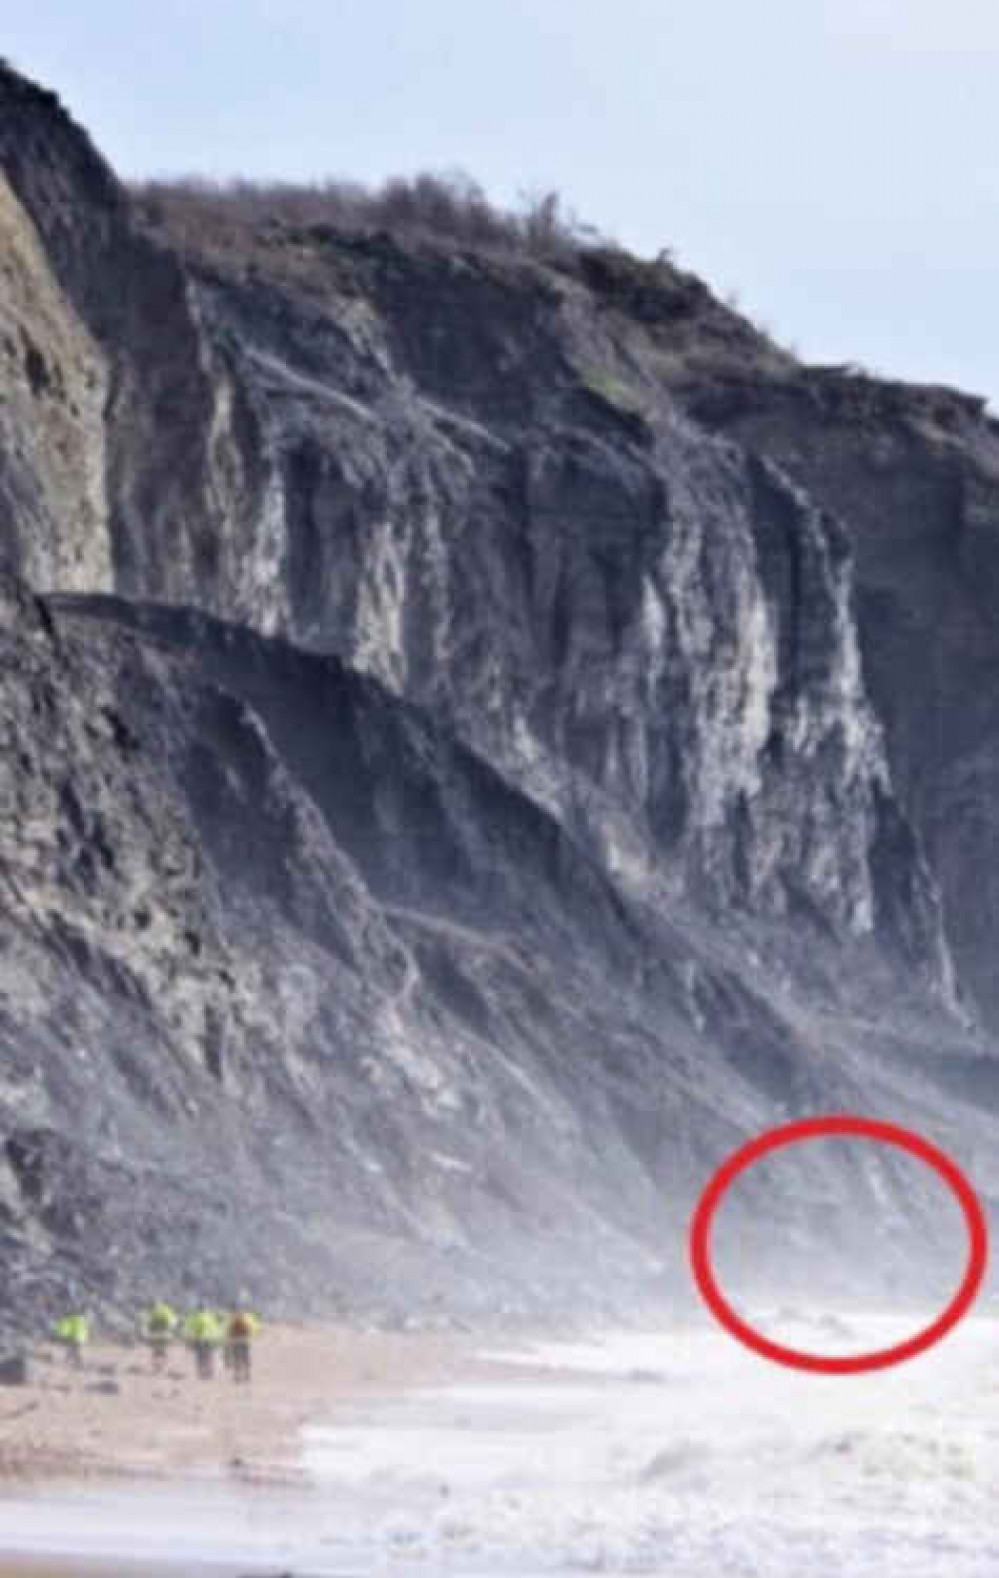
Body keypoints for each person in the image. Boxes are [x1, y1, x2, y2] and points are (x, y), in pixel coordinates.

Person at [183, 1308, 222, 1379]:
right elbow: (215, 1329)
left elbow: (188, 1329)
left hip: (198, 1339)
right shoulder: (210, 1317)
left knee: (199, 1357)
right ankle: (210, 1371)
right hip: (208, 1339)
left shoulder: (194, 1318)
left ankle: (200, 1372)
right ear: (205, 1310)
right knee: (209, 1356)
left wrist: (188, 1340)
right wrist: (217, 1339)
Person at [224, 1310, 259, 1384]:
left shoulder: (232, 1322)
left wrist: (229, 1340)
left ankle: (237, 1375)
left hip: (236, 1342)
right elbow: (250, 1331)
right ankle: (247, 1374)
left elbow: (229, 1332)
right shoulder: (245, 1321)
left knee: (237, 1358)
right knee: (245, 1358)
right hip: (244, 1341)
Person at [143, 1301, 178, 1374]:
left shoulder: (152, 1312)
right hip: (165, 1333)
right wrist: (172, 1330)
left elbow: (147, 1323)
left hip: (155, 1334)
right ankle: (162, 1364)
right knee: (163, 1350)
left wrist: (146, 1333)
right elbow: (173, 1322)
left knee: (155, 1351)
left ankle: (156, 1365)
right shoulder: (167, 1310)